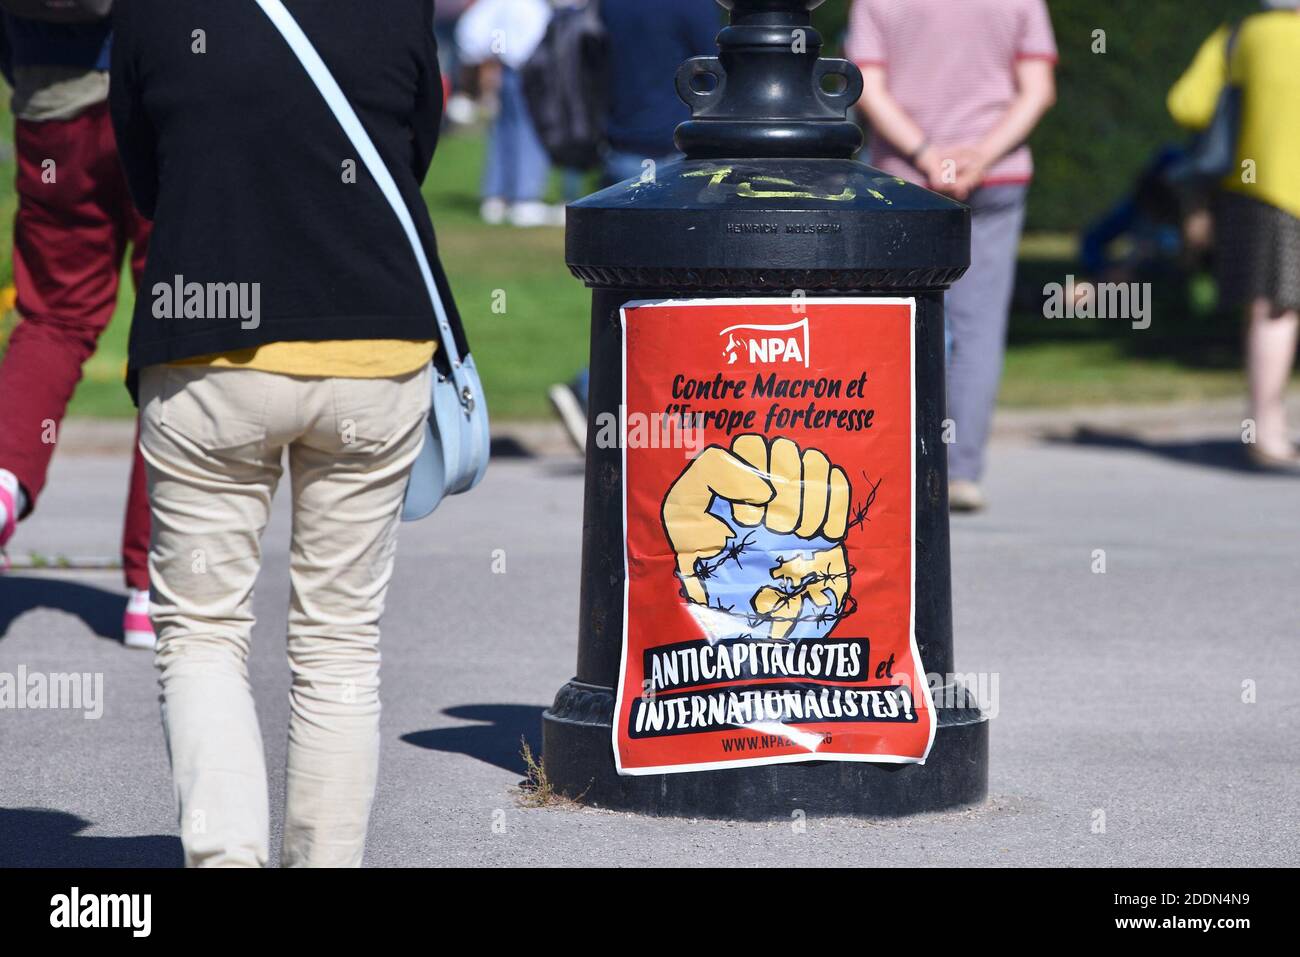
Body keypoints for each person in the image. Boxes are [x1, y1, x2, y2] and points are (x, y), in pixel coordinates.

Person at [111, 0, 462, 867]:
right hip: (373, 345)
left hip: (209, 350)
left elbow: (144, 173)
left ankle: (226, 856)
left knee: (201, 631)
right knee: (341, 638)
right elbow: (414, 148)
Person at [846, 0, 1057, 512]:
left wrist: (927, 155)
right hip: (997, 177)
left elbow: (867, 87)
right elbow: (1038, 91)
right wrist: (980, 156)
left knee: (898, 324)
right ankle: (960, 473)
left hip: (904, 180)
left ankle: (900, 465)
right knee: (979, 328)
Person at [0, 10, 155, 647]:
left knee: (53, 316)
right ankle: (155, 585)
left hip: (52, 93)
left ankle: (4, 483)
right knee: (180, 331)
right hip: (168, 92)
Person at [547, 0, 719, 451]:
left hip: (620, 153)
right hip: (676, 153)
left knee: (628, 291)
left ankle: (614, 400)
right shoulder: (696, 7)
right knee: (681, 294)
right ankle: (594, 391)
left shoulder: (613, 4)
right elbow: (719, 75)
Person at [1169, 1, 1300, 471]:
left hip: (1261, 191)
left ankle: (1267, 427)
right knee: (1279, 309)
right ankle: (1272, 428)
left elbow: (1186, 104)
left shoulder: (1239, 35)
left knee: (1270, 309)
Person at [456, 0, 558, 227]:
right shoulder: (529, 6)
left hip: (510, 70)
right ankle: (525, 199)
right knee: (529, 133)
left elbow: (471, 31)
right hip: (527, 72)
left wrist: (486, 57)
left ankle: (497, 196)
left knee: (505, 133)